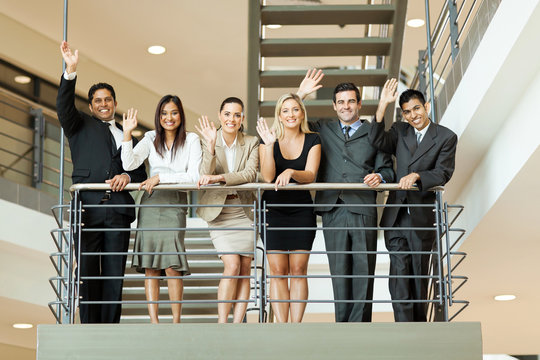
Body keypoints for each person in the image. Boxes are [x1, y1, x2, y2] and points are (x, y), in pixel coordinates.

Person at [56, 41, 147, 324]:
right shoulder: (78, 125)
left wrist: (127, 176)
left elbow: (140, 174)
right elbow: (62, 106)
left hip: (118, 212)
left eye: (108, 99)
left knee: (113, 272)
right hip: (88, 209)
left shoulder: (126, 133)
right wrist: (71, 70)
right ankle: (89, 326)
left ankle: (110, 328)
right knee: (86, 271)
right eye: (98, 100)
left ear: (115, 103)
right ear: (91, 105)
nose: (104, 104)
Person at [296, 69, 395, 323]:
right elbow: (292, 121)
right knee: (338, 271)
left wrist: (380, 178)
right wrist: (300, 95)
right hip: (332, 208)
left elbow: (387, 169)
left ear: (359, 104)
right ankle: (343, 328)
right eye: (341, 102)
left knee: (364, 271)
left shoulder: (374, 132)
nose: (346, 106)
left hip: (362, 208)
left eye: (351, 101)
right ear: (334, 105)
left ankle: (360, 329)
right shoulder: (321, 129)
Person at [369, 79, 457, 322]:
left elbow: (443, 173)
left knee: (418, 274)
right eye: (407, 111)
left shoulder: (446, 137)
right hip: (396, 214)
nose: (413, 115)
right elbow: (377, 141)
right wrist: (382, 106)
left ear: (426, 106)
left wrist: (418, 175)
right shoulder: (400, 131)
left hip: (421, 214)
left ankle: (418, 327)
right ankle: (404, 326)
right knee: (398, 272)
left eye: (416, 109)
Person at [121, 95, 202, 323]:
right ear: (158, 116)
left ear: (181, 115)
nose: (169, 117)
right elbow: (129, 164)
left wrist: (160, 177)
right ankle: (154, 321)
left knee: (172, 265)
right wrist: (127, 133)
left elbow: (193, 176)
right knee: (151, 266)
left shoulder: (192, 140)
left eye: (174, 112)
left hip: (174, 202)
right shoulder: (149, 137)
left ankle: (176, 321)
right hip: (150, 201)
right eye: (164, 113)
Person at [257, 93, 321, 323]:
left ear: (302, 113)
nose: (291, 114)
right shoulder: (268, 139)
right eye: (285, 110)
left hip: (301, 210)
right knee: (278, 271)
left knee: (298, 269)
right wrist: (269, 146)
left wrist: (292, 172)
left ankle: (296, 326)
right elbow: (267, 177)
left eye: (295, 109)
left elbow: (311, 174)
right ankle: (282, 327)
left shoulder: (313, 139)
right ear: (279, 115)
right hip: (272, 211)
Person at [195, 97, 259, 323]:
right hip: (219, 212)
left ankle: (237, 323)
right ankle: (223, 323)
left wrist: (220, 178)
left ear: (242, 118)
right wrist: (211, 145)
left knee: (244, 269)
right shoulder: (206, 141)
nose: (232, 119)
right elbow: (204, 173)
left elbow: (249, 174)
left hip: (244, 212)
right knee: (232, 265)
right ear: (220, 115)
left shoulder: (251, 142)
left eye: (237, 115)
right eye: (228, 114)